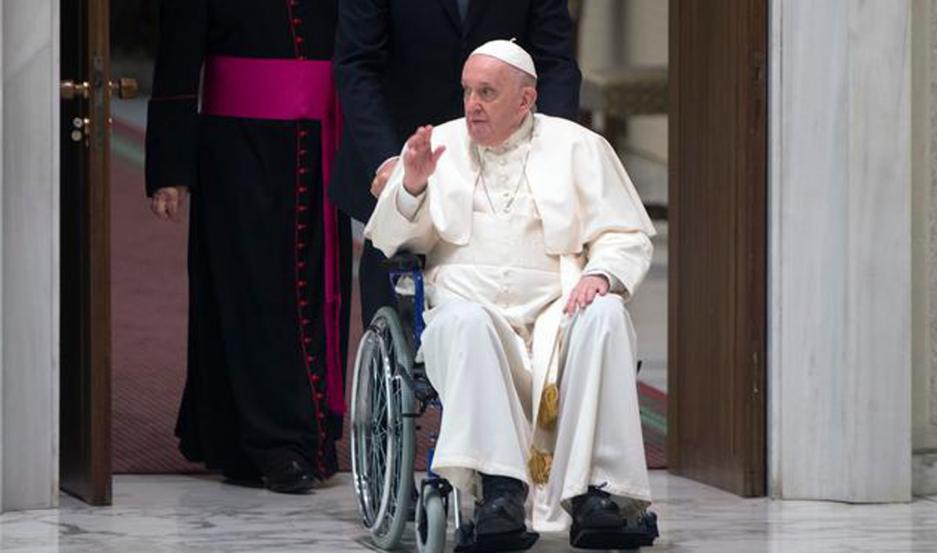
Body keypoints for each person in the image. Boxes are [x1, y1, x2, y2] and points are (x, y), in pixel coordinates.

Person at [364, 41, 659, 550]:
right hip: (469, 306)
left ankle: (600, 494)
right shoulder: (440, 146)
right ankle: (499, 492)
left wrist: (602, 275)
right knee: (466, 324)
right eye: (467, 92)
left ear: (526, 100)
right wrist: (411, 187)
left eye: (487, 93)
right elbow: (393, 242)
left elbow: (624, 233)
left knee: (607, 314)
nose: (472, 105)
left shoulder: (579, 147)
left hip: (557, 310)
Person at [145, 0, 351, 493]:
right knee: (251, 296)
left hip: (320, 149)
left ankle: (308, 436)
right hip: (237, 152)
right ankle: (270, 442)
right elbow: (178, 55)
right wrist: (170, 167)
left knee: (317, 292)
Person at [330, 0, 582, 327]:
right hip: (403, 147)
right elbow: (357, 65)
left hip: (505, 156)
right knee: (396, 286)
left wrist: (549, 148)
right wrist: (389, 162)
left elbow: (555, 62)